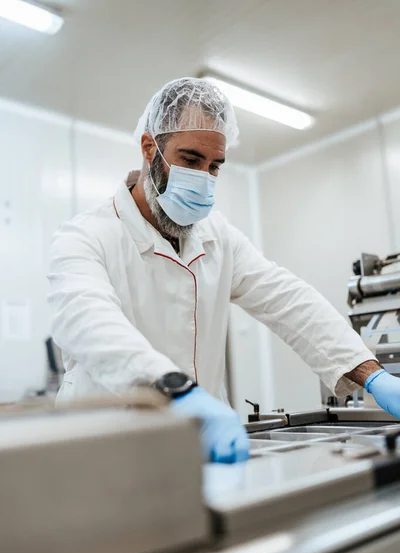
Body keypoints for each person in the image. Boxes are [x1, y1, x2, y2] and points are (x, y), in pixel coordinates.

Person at [48, 77, 400, 464]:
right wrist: (177, 391)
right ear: (150, 148)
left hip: (199, 449)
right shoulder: (86, 237)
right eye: (190, 160)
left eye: (215, 166)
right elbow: (90, 326)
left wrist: (373, 375)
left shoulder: (218, 236)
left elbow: (288, 301)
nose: (204, 177)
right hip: (105, 455)